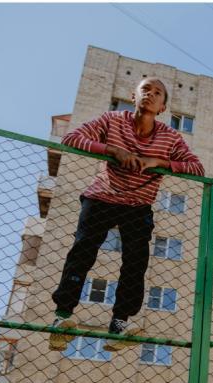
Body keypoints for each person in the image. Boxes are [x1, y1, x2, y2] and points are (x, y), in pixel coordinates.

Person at [48, 77, 204, 352]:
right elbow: (72, 138)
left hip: (138, 205)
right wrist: (112, 150)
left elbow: (197, 168)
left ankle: (118, 324)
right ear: (134, 96)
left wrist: (159, 162)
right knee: (83, 250)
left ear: (163, 106)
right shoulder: (113, 120)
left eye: (157, 93)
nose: (150, 95)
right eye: (145, 90)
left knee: (136, 262)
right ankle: (61, 318)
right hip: (102, 197)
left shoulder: (170, 137)